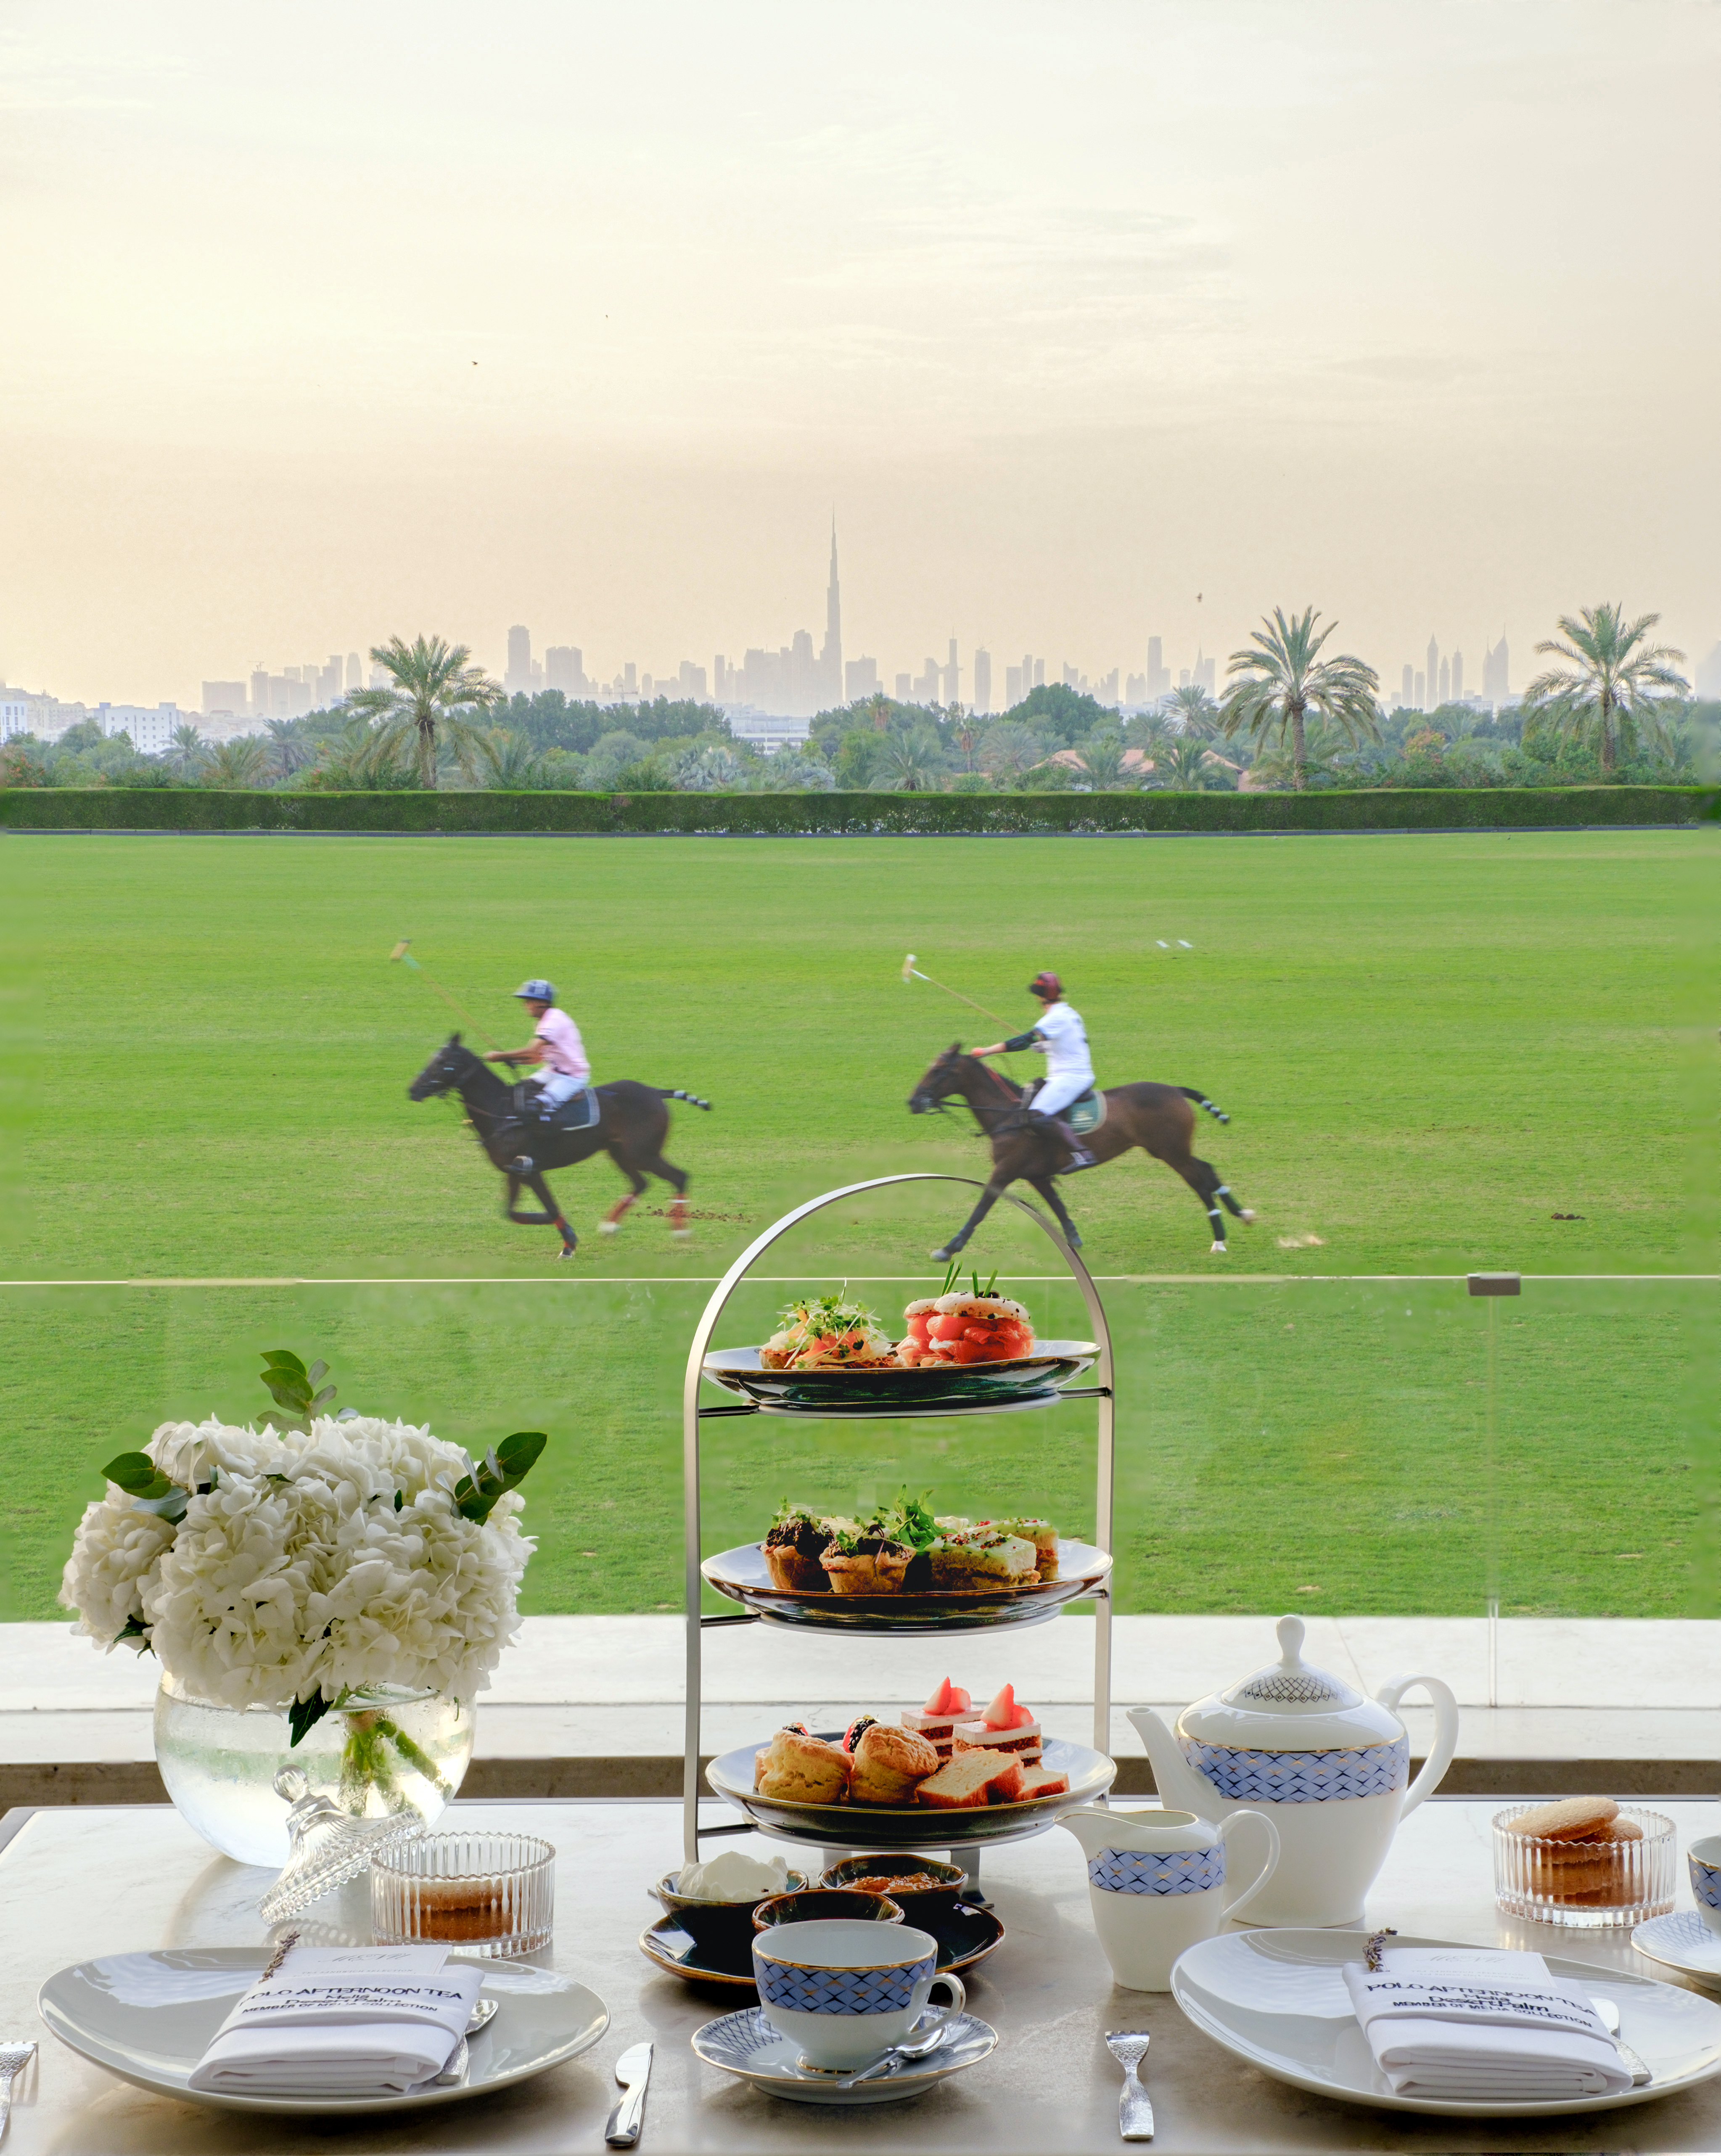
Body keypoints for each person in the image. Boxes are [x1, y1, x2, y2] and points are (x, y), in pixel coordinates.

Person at [973, 972, 1096, 1169]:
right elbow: (1071, 1043)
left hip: (1071, 1078)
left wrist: (986, 1051)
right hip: (1071, 1074)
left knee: (1037, 1114)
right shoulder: (1069, 1013)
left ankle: (1083, 1154)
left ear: (1040, 997)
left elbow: (1022, 1042)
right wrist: (1044, 1046)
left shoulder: (1054, 1018)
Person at [487, 979, 592, 1123]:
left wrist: (501, 1056)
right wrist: (513, 1060)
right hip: (553, 1072)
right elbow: (536, 1057)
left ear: (540, 1002)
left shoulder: (554, 1021)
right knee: (521, 1091)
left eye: (528, 1001)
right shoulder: (544, 1021)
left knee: (535, 1107)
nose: (525, 1005)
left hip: (572, 1077)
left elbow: (531, 1052)